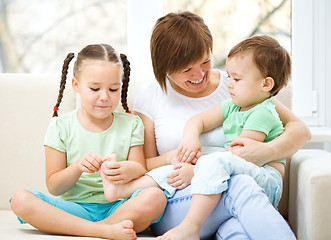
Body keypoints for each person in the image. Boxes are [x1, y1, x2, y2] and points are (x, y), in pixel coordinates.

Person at [134, 11, 310, 239]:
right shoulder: (151, 95)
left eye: (205, 61)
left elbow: (300, 130)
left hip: (234, 198)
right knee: (240, 185)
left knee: (237, 231)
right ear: (165, 67)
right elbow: (141, 165)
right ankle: (189, 228)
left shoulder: (238, 84)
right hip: (178, 201)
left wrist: (265, 152)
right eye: (187, 69)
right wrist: (173, 158)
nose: (199, 74)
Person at [10, 44, 167, 240]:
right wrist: (77, 167)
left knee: (155, 197)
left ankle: (99, 227)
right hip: (74, 209)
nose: (104, 97)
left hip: (120, 207)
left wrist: (124, 169)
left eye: (113, 89)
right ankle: (103, 231)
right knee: (20, 200)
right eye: (95, 88)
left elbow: (141, 170)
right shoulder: (60, 126)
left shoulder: (132, 124)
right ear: (76, 85)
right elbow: (54, 186)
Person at [155, 35, 291, 240]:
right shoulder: (234, 105)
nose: (229, 84)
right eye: (229, 77)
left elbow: (239, 155)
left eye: (236, 79)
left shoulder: (263, 112)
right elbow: (197, 120)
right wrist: (191, 138)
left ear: (266, 84)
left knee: (219, 160)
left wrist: (197, 170)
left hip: (265, 181)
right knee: (234, 231)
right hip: (240, 179)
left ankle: (191, 226)